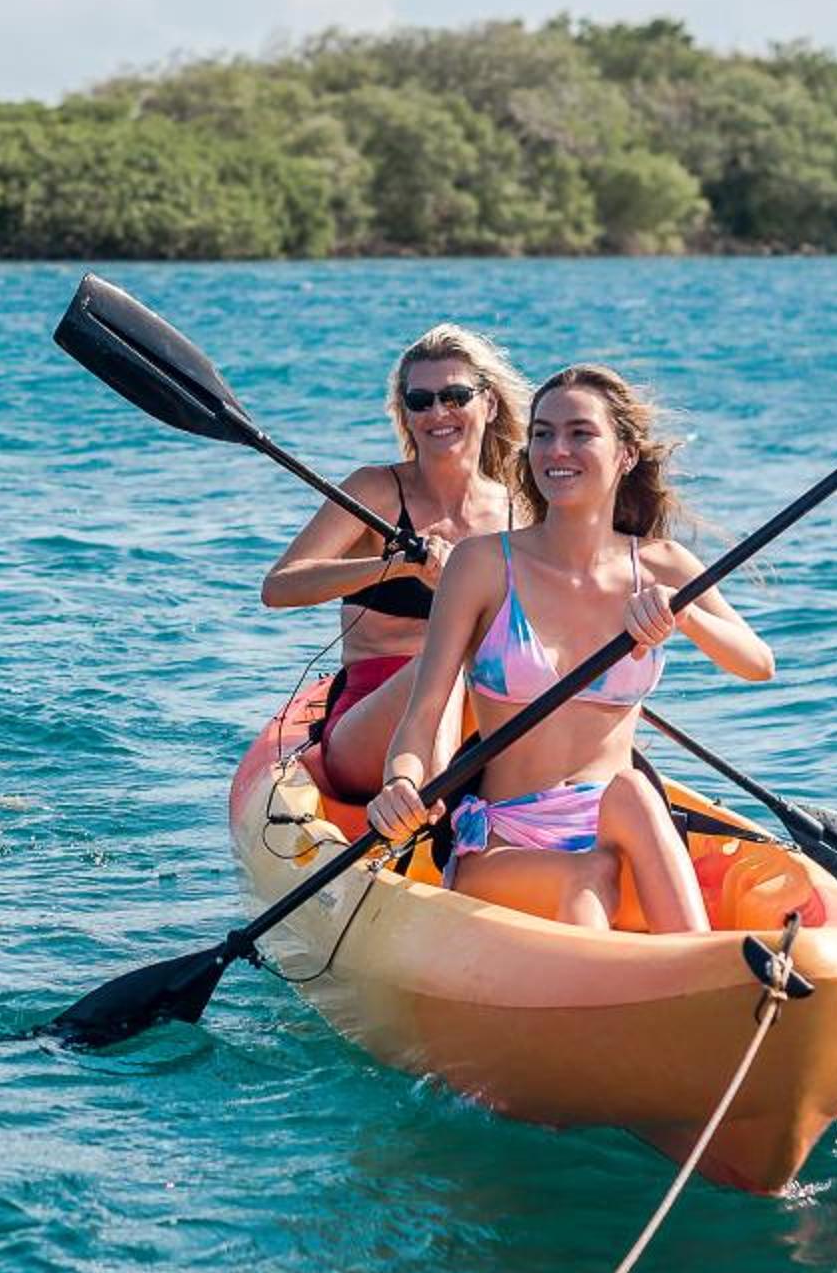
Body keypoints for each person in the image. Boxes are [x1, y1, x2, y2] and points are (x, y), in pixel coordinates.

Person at [364, 365, 774, 934]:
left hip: (619, 833)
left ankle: (702, 961)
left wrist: (684, 614)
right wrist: (400, 784)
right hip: (507, 842)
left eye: (580, 433)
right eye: (543, 433)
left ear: (625, 454)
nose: (557, 450)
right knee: (589, 873)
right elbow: (424, 714)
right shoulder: (483, 564)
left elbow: (757, 664)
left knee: (632, 790)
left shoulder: (663, 565)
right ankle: (675, 968)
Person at [260, 325, 528, 801]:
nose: (438, 412)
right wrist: (397, 566)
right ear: (405, 414)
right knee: (442, 662)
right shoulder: (375, 491)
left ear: (488, 404)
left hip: (482, 721)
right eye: (420, 401)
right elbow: (279, 587)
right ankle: (427, 802)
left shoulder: (519, 510)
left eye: (455, 396)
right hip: (367, 729)